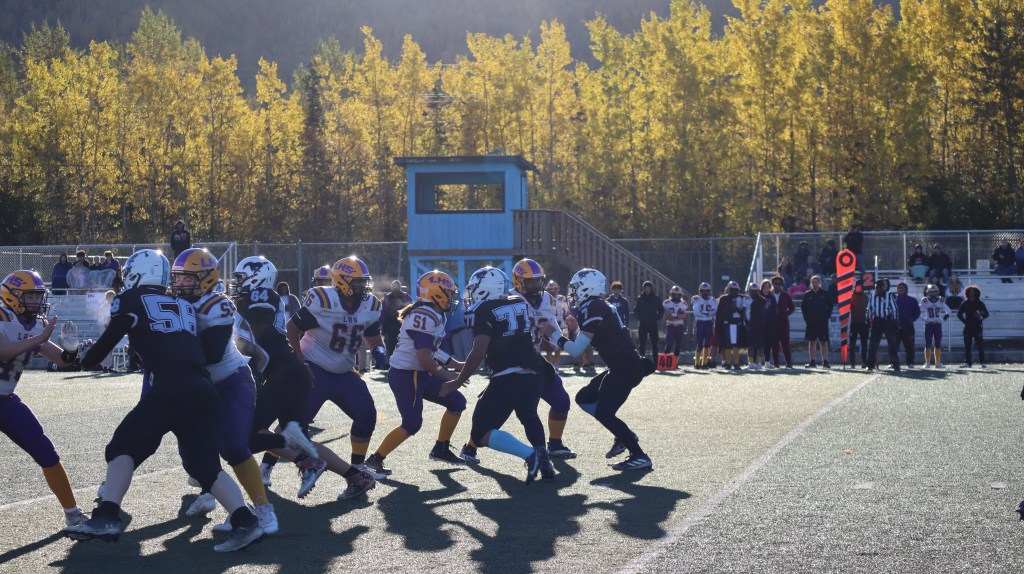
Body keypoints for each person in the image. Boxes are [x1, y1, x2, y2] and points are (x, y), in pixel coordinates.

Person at [64, 250, 264, 552]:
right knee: (202, 464)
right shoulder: (183, 304)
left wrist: (80, 355)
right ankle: (246, 522)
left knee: (121, 446)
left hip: (172, 386)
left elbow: (101, 351)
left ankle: (106, 516)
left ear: (135, 275)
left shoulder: (130, 300)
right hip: (204, 389)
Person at [164, 249, 279, 532]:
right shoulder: (174, 303)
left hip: (231, 382)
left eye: (187, 278)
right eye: (177, 278)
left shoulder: (217, 304)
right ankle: (231, 507)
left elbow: (212, 354)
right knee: (193, 457)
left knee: (233, 447)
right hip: (199, 387)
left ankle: (264, 509)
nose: (179, 284)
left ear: (206, 279)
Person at [278, 257, 389, 475]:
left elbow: (373, 337)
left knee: (366, 415)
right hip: (315, 367)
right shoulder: (323, 300)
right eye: (358, 281)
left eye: (364, 281)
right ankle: (267, 465)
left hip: (343, 372)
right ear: (341, 281)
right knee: (292, 425)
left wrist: (379, 351)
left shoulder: (370, 305)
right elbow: (292, 329)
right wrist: (299, 362)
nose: (363, 286)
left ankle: (357, 469)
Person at [542, 268, 656, 471]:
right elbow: (593, 336)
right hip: (622, 366)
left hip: (625, 367)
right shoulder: (599, 304)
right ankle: (624, 436)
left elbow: (576, 350)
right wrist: (574, 329)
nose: (573, 292)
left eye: (576, 288)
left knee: (604, 413)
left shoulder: (592, 306)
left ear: (587, 287)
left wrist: (555, 334)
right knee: (584, 398)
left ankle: (638, 455)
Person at [447, 266, 554, 483]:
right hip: (534, 373)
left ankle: (531, 455)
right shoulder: (518, 302)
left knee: (480, 432)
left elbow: (479, 350)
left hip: (508, 374)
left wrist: (457, 381)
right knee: (529, 415)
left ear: (484, 289)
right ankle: (544, 462)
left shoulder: (483, 309)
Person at [230, 256, 327, 494]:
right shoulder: (261, 297)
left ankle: (305, 460)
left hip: (282, 375)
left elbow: (258, 333)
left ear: (256, 277)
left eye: (241, 278)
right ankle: (342, 472)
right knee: (298, 436)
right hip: (289, 373)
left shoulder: (261, 296)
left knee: (247, 434)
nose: (238, 283)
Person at [0, 270, 89, 529]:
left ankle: (73, 513)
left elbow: (61, 360)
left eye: (38, 296)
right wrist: (37, 341)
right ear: (12, 296)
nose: (36, 302)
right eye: (30, 296)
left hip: (6, 400)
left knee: (46, 452)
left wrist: (71, 350)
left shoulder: (36, 325)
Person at [362, 270, 466, 476]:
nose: (451, 297)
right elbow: (425, 359)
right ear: (436, 293)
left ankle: (441, 448)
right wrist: (449, 376)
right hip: (407, 375)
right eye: (448, 293)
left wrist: (457, 364)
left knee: (456, 402)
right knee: (412, 423)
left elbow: (432, 350)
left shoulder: (435, 313)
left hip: (419, 374)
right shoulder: (424, 315)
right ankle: (375, 459)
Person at [495, 259, 575, 459]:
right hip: (513, 362)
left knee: (561, 401)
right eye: (530, 281)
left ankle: (555, 444)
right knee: (498, 411)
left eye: (538, 280)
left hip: (536, 359)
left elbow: (552, 327)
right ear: (519, 281)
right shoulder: (507, 299)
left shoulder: (547, 299)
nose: (536, 284)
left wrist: (556, 340)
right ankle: (471, 444)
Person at [866, 278, 901, 373]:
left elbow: (894, 309)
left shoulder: (889, 295)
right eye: (877, 287)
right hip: (877, 321)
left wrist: (896, 321)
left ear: (884, 288)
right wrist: (868, 320)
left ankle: (896, 365)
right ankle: (870, 365)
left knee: (892, 344)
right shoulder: (872, 296)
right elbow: (869, 309)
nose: (878, 289)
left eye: (880, 287)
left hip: (887, 320)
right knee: (873, 344)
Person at [801, 275, 833, 368]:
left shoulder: (825, 294)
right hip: (811, 322)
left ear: (819, 283)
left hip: (822, 322)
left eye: (816, 281)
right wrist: (806, 318)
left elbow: (830, 306)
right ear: (811, 283)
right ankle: (812, 362)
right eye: (813, 282)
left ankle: (825, 362)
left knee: (823, 342)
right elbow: (803, 307)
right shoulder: (807, 295)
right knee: (812, 342)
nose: (815, 283)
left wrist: (826, 316)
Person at [715, 282, 746, 370]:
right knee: (727, 343)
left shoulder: (742, 298)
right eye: (731, 289)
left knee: (736, 344)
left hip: (737, 323)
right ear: (728, 290)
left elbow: (743, 310)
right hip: (727, 323)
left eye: (735, 290)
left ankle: (736, 363)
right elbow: (720, 312)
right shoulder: (723, 299)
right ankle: (728, 363)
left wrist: (737, 309)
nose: (733, 292)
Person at [957, 285, 988, 368]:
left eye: (973, 292)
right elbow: (959, 314)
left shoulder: (980, 303)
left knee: (980, 345)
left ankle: (982, 362)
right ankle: (968, 363)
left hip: (978, 327)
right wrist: (965, 322)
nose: (971, 294)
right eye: (970, 292)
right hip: (968, 327)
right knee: (967, 346)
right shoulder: (965, 303)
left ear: (976, 293)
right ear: (967, 293)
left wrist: (980, 316)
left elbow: (986, 314)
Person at [920, 284, 951, 369]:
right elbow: (918, 311)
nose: (933, 293)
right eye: (931, 291)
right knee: (928, 344)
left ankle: (937, 362)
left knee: (938, 344)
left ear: (938, 292)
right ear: (928, 292)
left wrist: (942, 320)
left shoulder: (941, 300)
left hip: (937, 325)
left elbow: (949, 311)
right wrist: (925, 319)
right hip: (929, 325)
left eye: (935, 291)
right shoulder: (925, 300)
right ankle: (927, 363)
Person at [767, 275, 795, 369]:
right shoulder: (769, 295)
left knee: (785, 344)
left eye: (779, 283)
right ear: (772, 284)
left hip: (784, 323)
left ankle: (789, 362)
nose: (777, 285)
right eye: (775, 283)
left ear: (782, 284)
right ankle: (776, 363)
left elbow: (792, 307)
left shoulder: (786, 295)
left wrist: (786, 314)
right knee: (774, 344)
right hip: (772, 323)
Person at [381, 280, 413, 356]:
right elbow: (383, 312)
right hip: (390, 326)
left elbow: (410, 309)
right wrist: (382, 327)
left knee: (402, 346)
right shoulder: (388, 297)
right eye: (394, 286)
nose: (395, 288)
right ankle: (390, 361)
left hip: (403, 326)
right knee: (390, 347)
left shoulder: (405, 296)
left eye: (396, 286)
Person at [634, 280, 664, 359]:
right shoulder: (640, 299)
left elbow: (661, 310)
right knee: (642, 344)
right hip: (643, 324)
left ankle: (655, 361)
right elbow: (636, 310)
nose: (647, 290)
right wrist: (639, 318)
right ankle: (641, 361)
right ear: (643, 289)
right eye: (645, 288)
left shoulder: (656, 299)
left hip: (653, 324)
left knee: (654, 344)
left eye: (648, 288)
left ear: (651, 289)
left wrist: (657, 317)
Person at [894, 281, 921, 368]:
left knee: (909, 346)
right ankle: (894, 362)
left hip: (908, 326)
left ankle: (910, 362)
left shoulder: (912, 300)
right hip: (895, 327)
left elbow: (917, 312)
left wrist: (911, 319)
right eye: (899, 287)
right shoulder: (893, 300)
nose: (901, 289)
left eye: (903, 287)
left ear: (906, 289)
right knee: (894, 346)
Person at [691, 282, 717, 369]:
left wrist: (708, 313)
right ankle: (696, 363)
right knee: (700, 344)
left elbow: (714, 311)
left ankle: (704, 363)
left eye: (707, 291)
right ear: (700, 291)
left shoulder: (713, 300)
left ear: (709, 291)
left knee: (707, 344)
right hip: (700, 322)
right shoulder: (696, 298)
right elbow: (697, 312)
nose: (705, 292)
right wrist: (708, 313)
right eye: (703, 291)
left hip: (709, 323)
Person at [546, 280, 570, 367]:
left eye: (553, 289)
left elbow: (566, 311)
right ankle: (549, 364)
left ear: (557, 289)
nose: (551, 291)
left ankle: (556, 363)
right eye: (549, 289)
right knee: (549, 344)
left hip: (559, 323)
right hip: (549, 323)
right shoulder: (545, 298)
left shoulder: (561, 299)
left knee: (558, 345)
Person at [848, 280, 870, 369]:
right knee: (852, 344)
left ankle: (864, 362)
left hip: (864, 323)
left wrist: (868, 320)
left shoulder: (865, 297)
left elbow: (869, 309)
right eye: (857, 286)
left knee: (864, 344)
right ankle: (852, 363)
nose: (859, 288)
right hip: (854, 323)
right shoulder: (851, 296)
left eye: (860, 286)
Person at [662, 286, 688, 360]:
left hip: (679, 326)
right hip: (670, 326)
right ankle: (665, 361)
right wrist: (677, 316)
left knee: (678, 346)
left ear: (681, 295)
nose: (676, 296)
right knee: (669, 344)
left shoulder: (684, 304)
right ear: (671, 294)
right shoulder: (667, 303)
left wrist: (673, 316)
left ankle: (675, 363)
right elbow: (666, 317)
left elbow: (683, 316)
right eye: (674, 294)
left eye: (678, 294)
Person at [745, 283, 765, 369]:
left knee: (760, 345)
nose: (754, 292)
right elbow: (744, 311)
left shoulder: (762, 300)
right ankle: (751, 362)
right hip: (750, 324)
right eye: (752, 291)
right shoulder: (746, 299)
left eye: (755, 291)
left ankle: (759, 363)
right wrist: (745, 322)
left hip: (759, 325)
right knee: (750, 345)